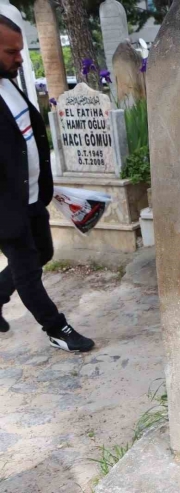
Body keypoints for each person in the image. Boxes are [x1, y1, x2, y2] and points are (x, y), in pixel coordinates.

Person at [0, 15, 94, 352]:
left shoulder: (8, 81)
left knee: (44, 252)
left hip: (32, 195)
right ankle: (57, 329)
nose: (20, 59)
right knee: (27, 270)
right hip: (6, 207)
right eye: (11, 52)